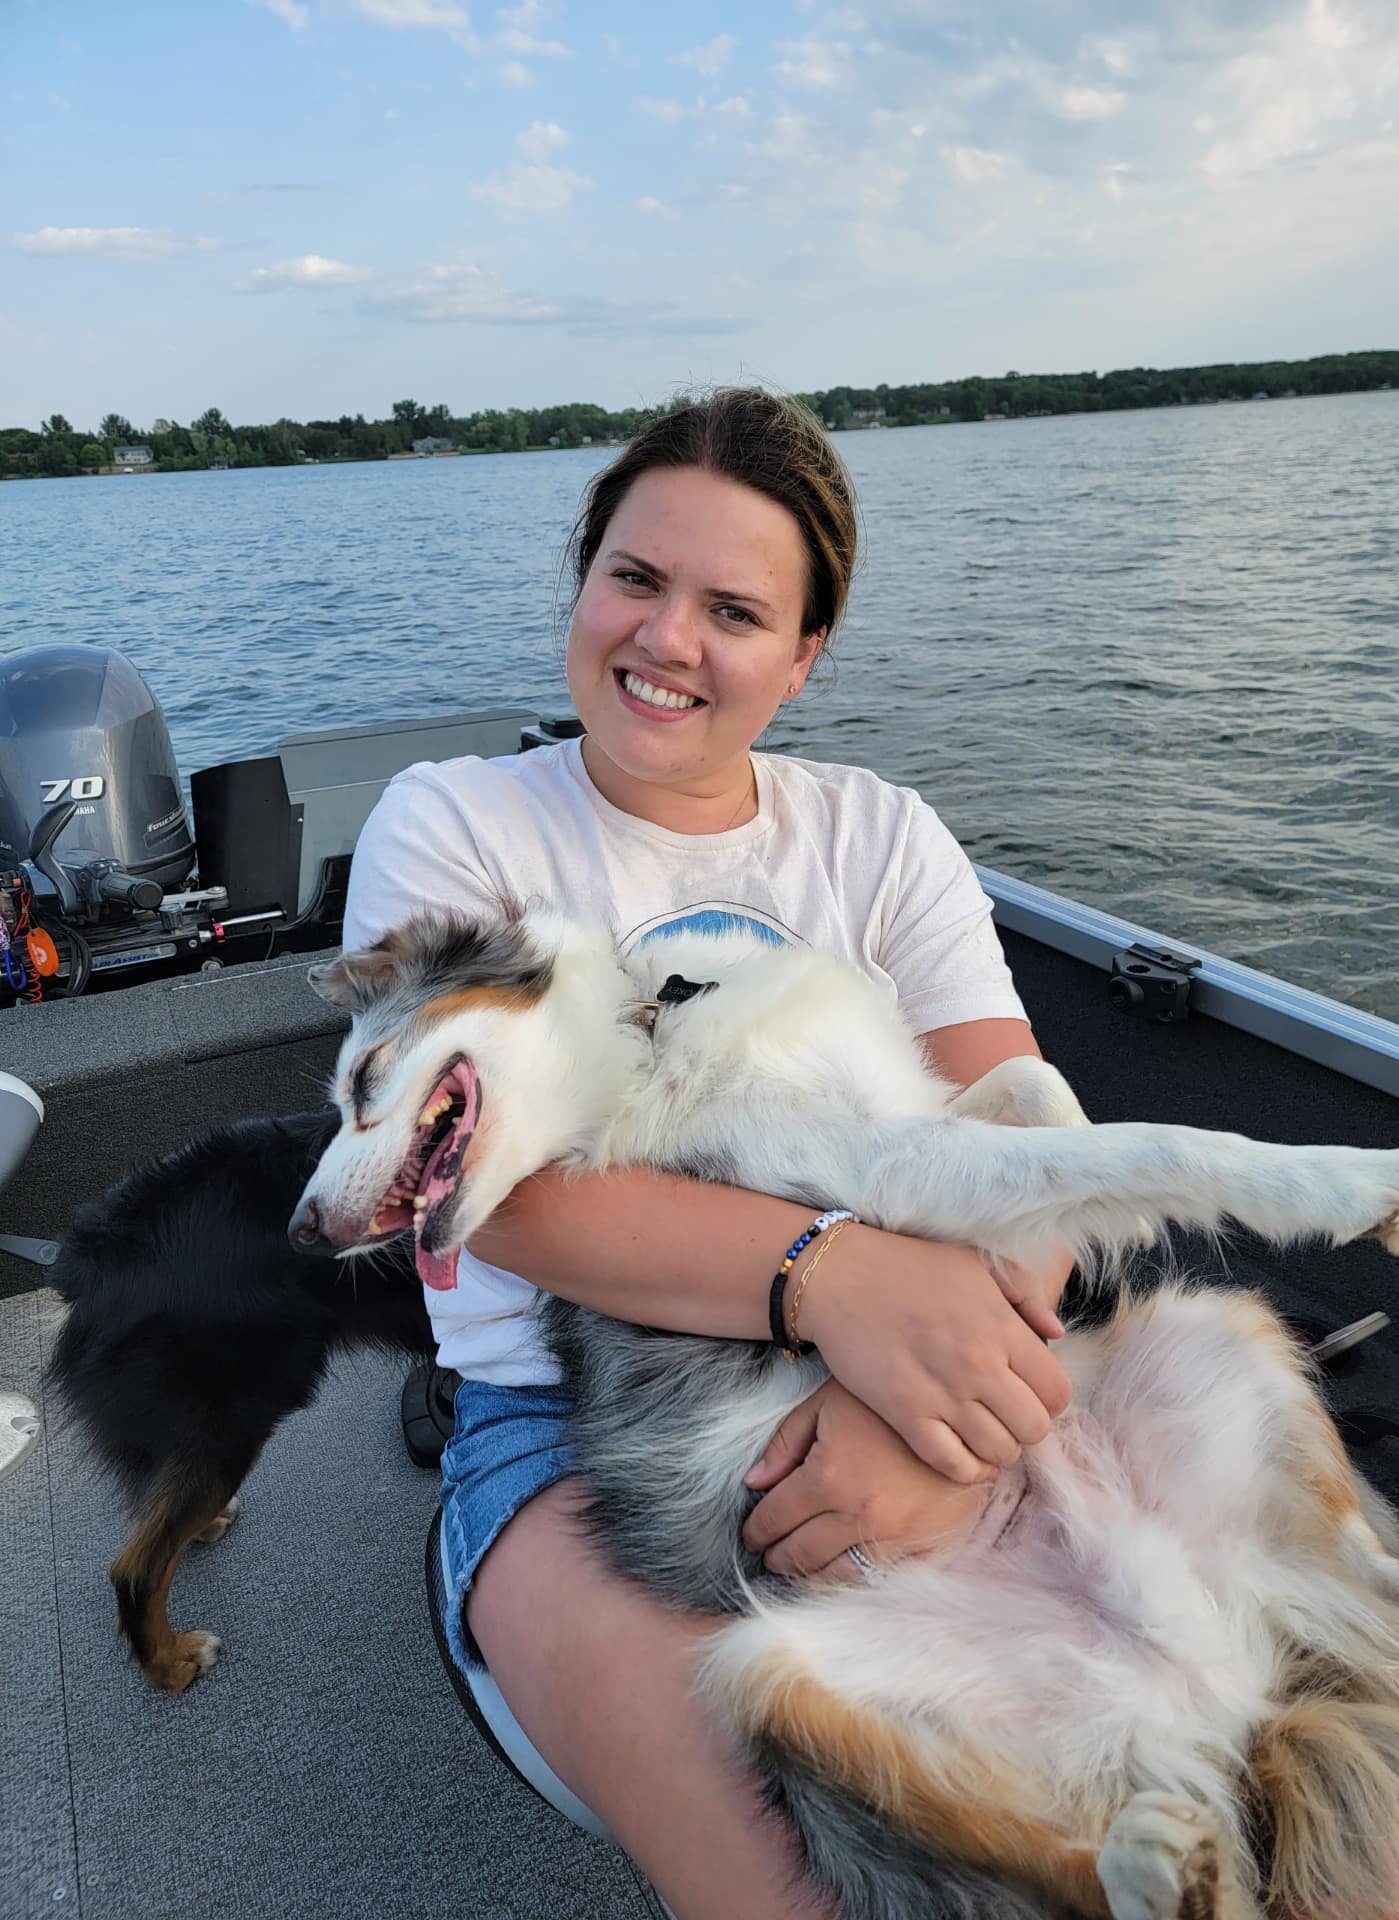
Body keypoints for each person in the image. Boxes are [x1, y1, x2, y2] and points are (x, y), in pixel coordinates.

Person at [342, 387, 1074, 1918]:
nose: (667, 638)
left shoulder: (877, 835)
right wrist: (830, 1281)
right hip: (570, 1430)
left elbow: (1031, 1139)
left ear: (805, 659)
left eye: (735, 609)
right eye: (635, 577)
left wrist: (943, 1421)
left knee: (1318, 1807)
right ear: (583, 578)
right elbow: (502, 1196)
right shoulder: (458, 825)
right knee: (799, 1880)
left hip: (932, 1383)